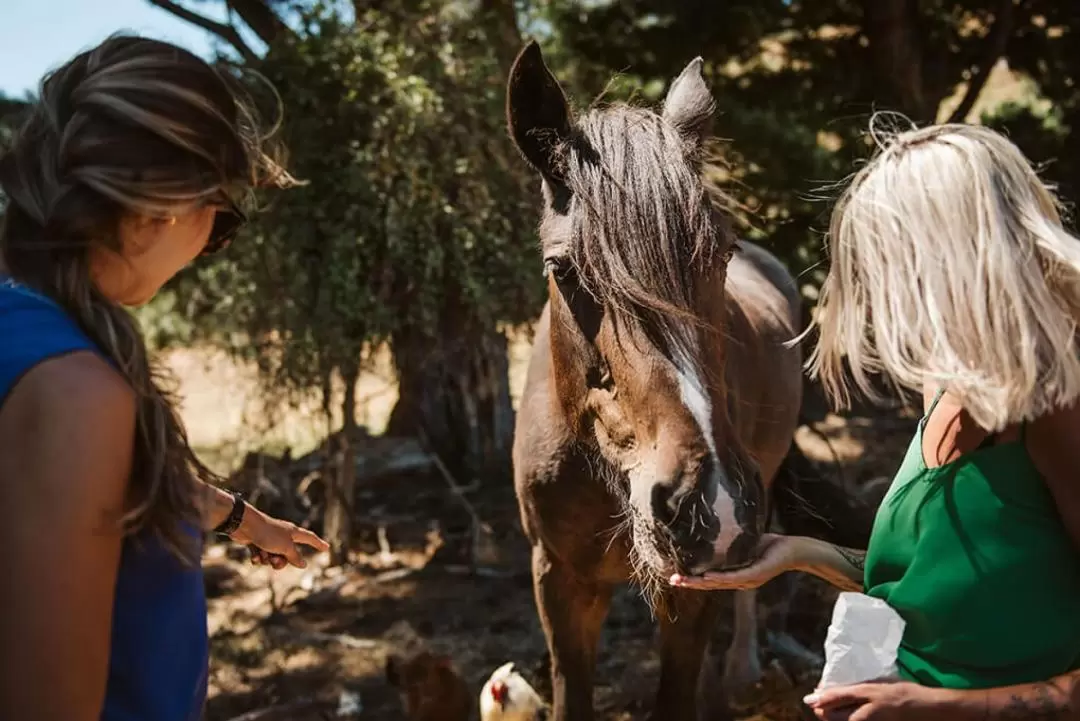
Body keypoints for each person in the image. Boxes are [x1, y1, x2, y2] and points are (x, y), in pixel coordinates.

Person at [671, 121, 1080, 720]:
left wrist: (942, 706)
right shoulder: (951, 386)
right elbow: (938, 580)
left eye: (890, 264)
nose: (883, 296)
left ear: (960, 256)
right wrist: (797, 553)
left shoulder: (1057, 403)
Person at [0, 35, 329, 721]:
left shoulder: (25, 330)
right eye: (222, 215)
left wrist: (242, 520)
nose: (215, 241)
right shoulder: (76, 392)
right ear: (160, 211)